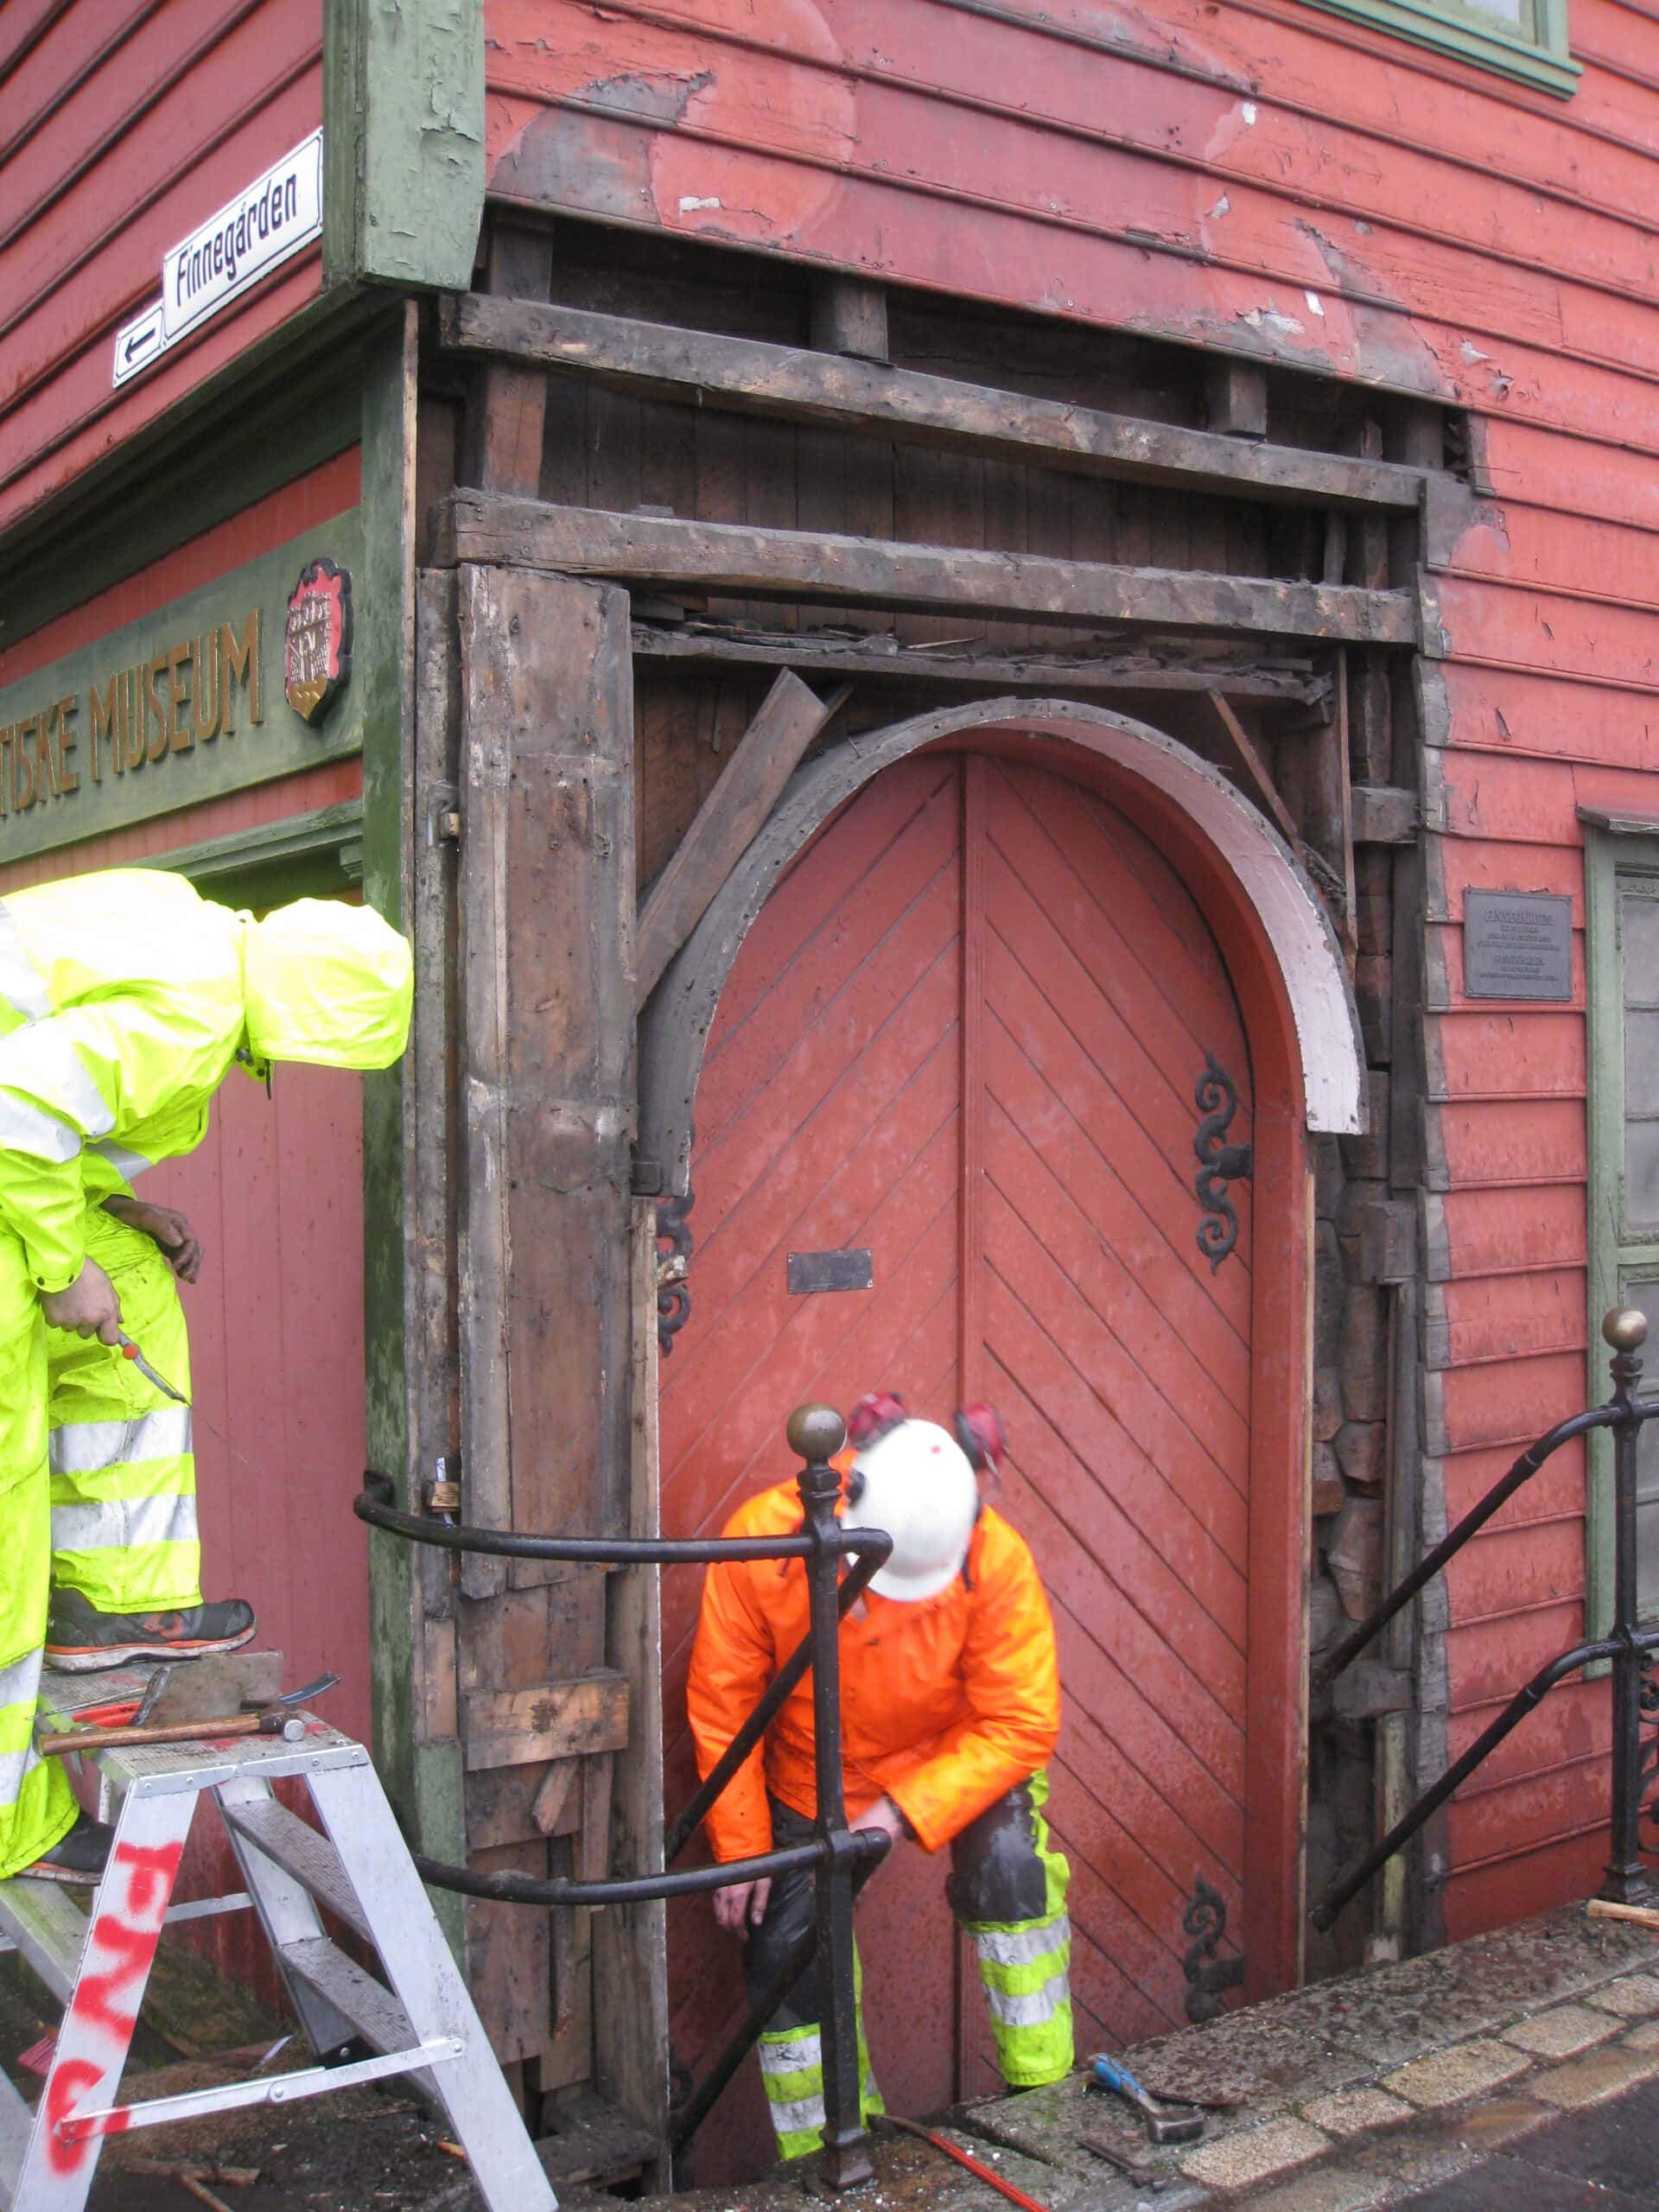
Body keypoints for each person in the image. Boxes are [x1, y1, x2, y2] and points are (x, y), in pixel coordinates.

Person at [0, 869, 412, 1885]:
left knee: (136, 1289)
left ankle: (116, 1608)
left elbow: (51, 1093)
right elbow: (14, 1109)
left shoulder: (189, 928)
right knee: (6, 1532)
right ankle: (11, 1833)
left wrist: (112, 1214)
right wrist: (60, 1265)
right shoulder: (193, 1016)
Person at [686, 1393, 1072, 2162]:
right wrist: (740, 1848)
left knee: (1010, 1870)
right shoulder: (762, 1546)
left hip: (951, 1760)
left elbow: (1021, 1721)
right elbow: (725, 1706)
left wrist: (899, 1812)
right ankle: (829, 2152)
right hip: (807, 1777)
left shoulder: (991, 1555)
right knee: (784, 1944)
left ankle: (1046, 2105)